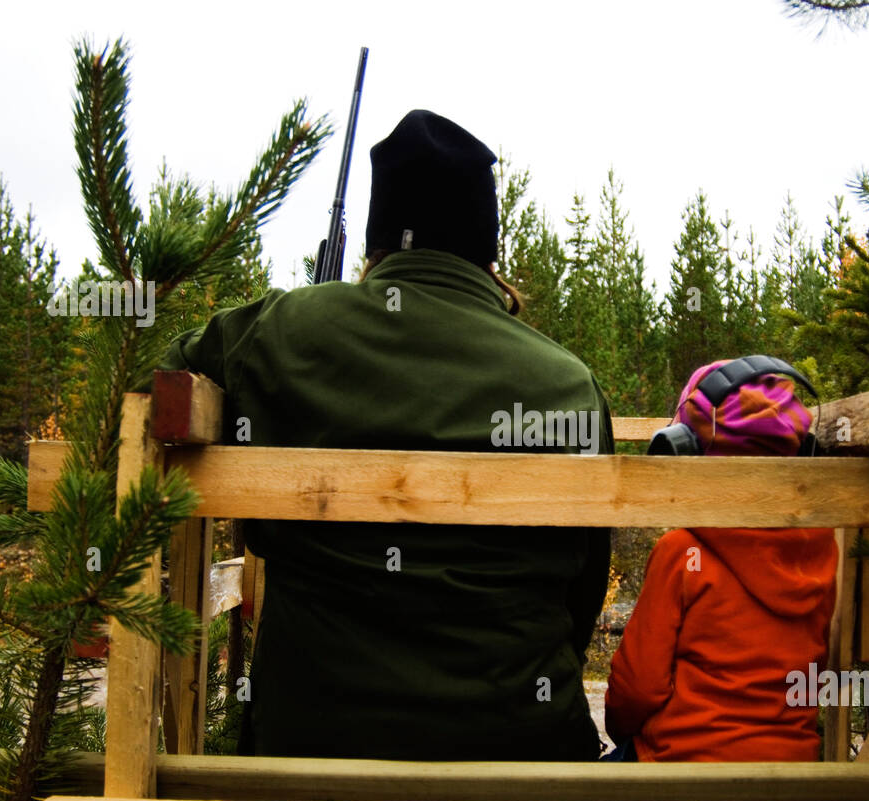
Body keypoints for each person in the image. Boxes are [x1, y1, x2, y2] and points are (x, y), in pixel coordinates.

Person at [154, 109, 612, 761]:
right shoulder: (569, 387)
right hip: (520, 761)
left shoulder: (279, 335)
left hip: (304, 761)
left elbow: (164, 387)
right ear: (488, 251)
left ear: (375, 241)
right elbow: (581, 594)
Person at [604, 359, 838, 761]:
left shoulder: (682, 551)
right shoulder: (822, 551)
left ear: (684, 448)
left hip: (681, 766)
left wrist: (622, 729)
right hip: (793, 767)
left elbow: (637, 690)